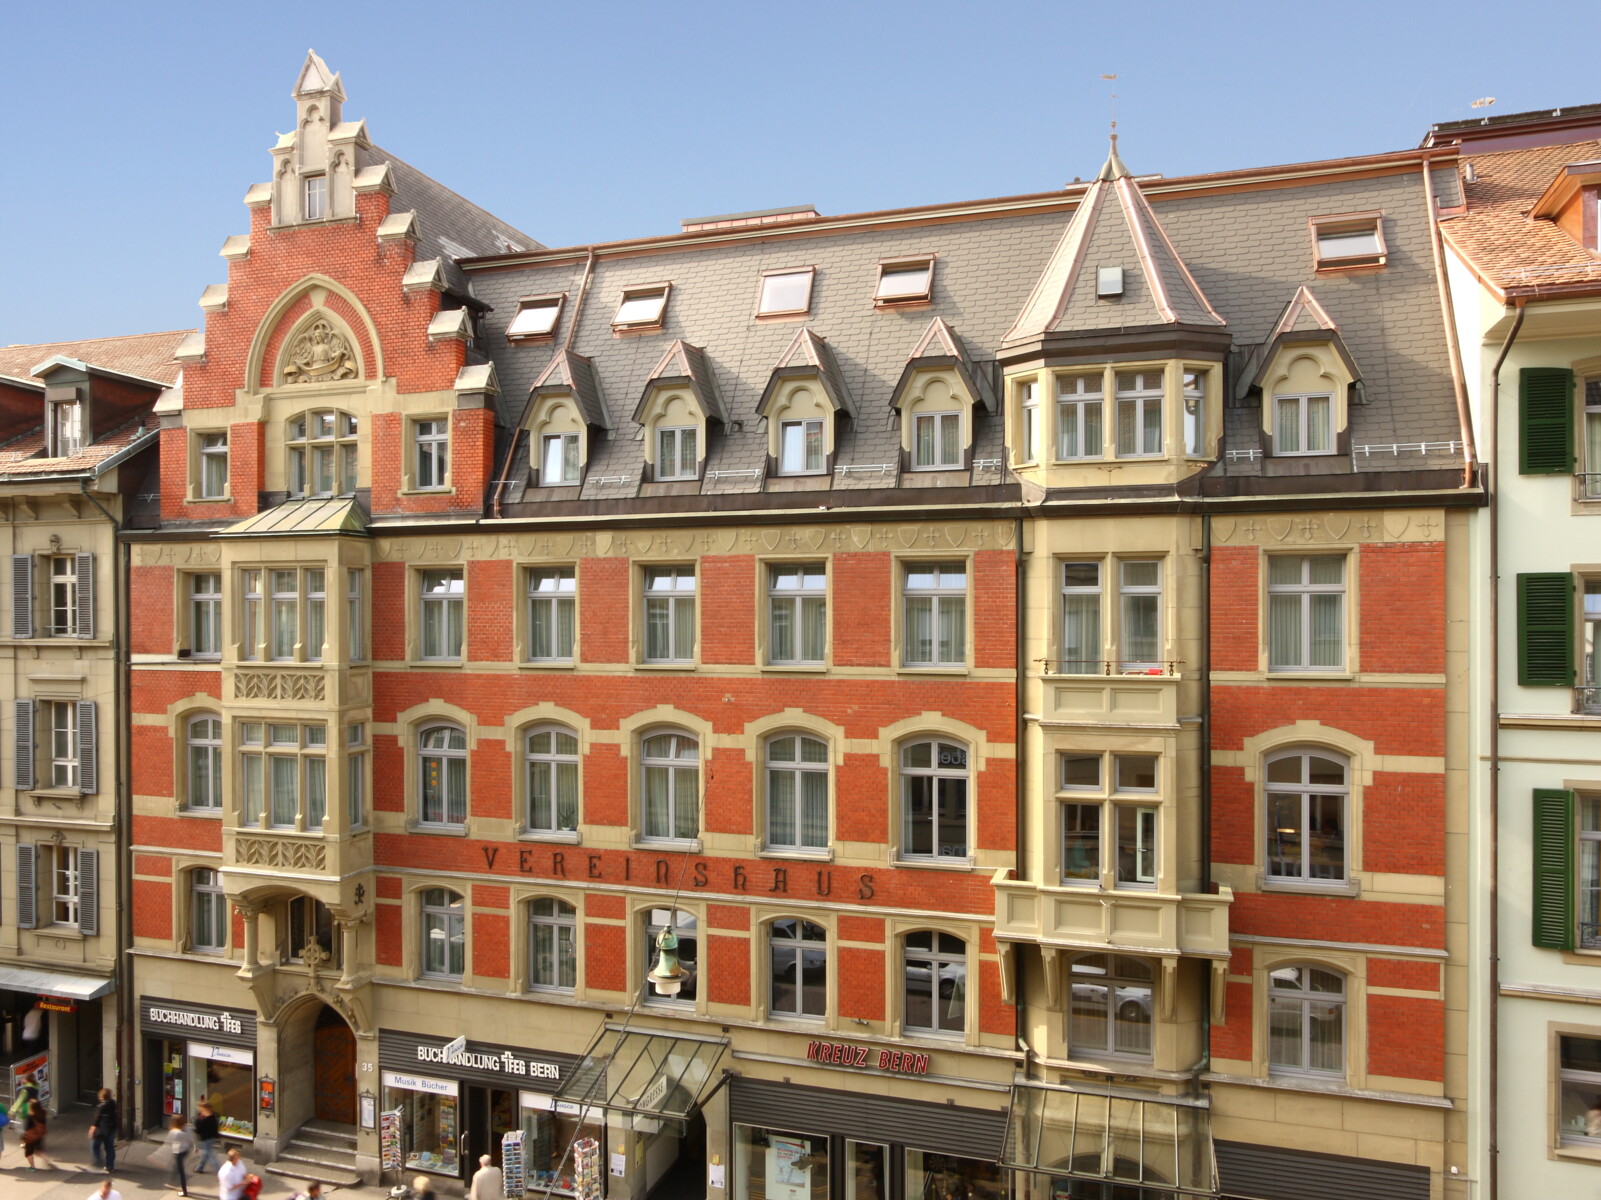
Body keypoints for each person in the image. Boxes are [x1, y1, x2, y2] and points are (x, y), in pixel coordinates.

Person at [164, 1114, 196, 1196]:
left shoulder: (174, 1132)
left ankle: (184, 1191)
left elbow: (169, 1142)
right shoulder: (187, 1128)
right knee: (177, 1165)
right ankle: (173, 1178)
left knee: (181, 1171)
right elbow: (191, 1139)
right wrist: (195, 1147)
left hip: (178, 1152)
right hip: (185, 1151)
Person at [90, 1087, 119, 1172]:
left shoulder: (101, 1106)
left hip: (102, 1130)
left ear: (102, 1097)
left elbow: (97, 1119)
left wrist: (92, 1129)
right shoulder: (113, 1103)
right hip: (112, 1128)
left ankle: (99, 1163)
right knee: (110, 1147)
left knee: (95, 1146)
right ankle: (110, 1166)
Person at [22, 1097, 50, 1170]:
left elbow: (27, 1128)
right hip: (39, 1134)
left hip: (31, 1137)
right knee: (39, 1149)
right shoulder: (43, 1112)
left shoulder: (30, 1117)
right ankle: (45, 1158)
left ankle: (32, 1167)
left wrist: (24, 1137)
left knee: (28, 1153)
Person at [194, 1101, 221, 1172]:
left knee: (210, 1156)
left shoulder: (209, 1118)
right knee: (205, 1154)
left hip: (207, 1138)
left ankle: (219, 1171)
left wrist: (198, 1122)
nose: (199, 1109)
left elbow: (200, 1128)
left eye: (200, 1108)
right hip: (208, 1138)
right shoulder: (209, 1116)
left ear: (205, 1108)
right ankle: (199, 1168)